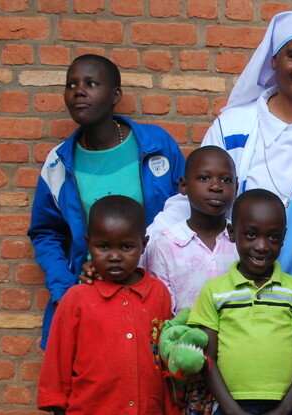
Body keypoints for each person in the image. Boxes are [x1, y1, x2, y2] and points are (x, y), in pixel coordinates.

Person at [148, 11, 292, 302]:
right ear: (273, 60)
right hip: (253, 302)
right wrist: (136, 248)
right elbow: (194, 200)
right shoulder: (234, 126)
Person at [29, 54, 185, 349]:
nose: (78, 91)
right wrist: (64, 287)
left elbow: (186, 207)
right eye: (71, 84)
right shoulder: (58, 164)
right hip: (96, 295)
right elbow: (45, 232)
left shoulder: (156, 145)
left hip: (159, 294)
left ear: (115, 95)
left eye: (91, 83)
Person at [188, 190, 292, 415]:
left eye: (273, 237)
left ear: (283, 238)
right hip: (231, 409)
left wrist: (284, 411)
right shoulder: (214, 292)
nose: (262, 246)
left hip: (286, 407)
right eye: (251, 235)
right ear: (232, 233)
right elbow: (207, 359)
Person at [38, 195, 178, 415]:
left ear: (143, 244)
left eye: (126, 247)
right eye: (103, 246)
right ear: (88, 243)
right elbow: (57, 364)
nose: (114, 256)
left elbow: (164, 359)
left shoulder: (158, 294)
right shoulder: (77, 298)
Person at [140, 145, 238, 415]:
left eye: (226, 180)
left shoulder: (241, 241)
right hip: (188, 365)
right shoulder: (165, 244)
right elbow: (163, 311)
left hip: (234, 364)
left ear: (237, 187)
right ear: (183, 186)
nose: (216, 187)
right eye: (204, 178)